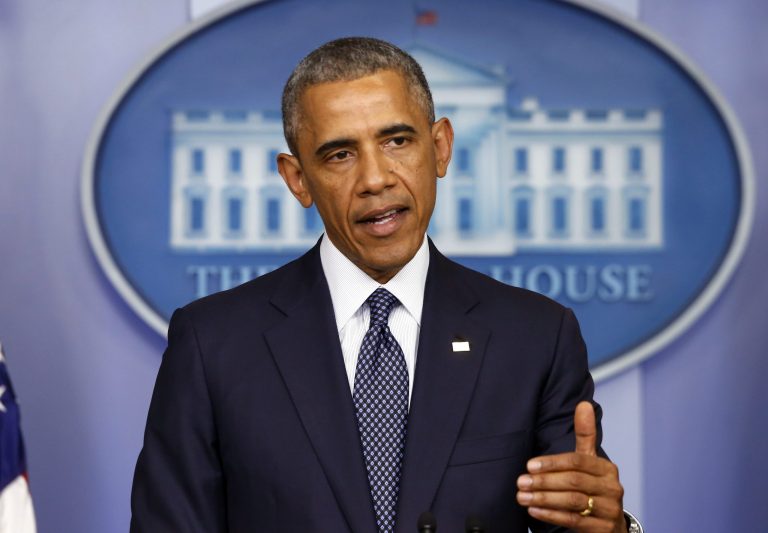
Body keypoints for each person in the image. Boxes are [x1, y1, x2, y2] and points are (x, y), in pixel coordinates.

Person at [131, 37, 641, 532]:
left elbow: (580, 514)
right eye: (339, 155)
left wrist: (611, 528)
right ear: (297, 179)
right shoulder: (212, 343)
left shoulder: (535, 337)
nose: (376, 178)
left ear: (440, 148)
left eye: (397, 141)